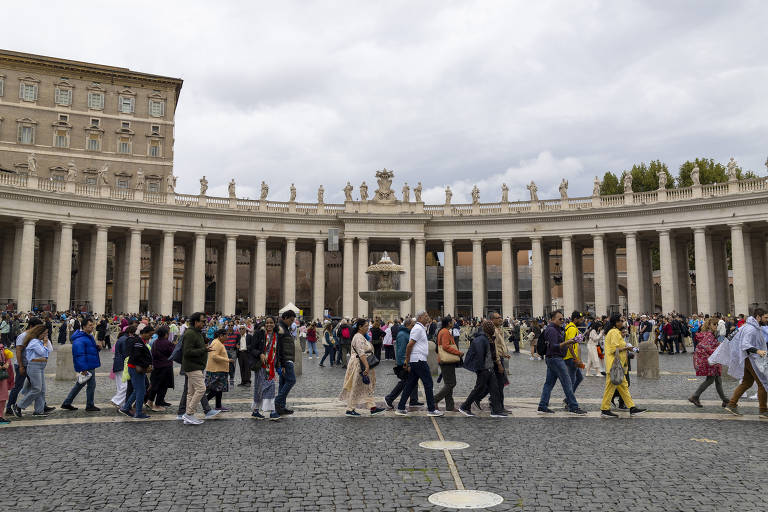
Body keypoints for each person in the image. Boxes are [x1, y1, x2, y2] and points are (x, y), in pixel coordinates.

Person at [717, 309, 768, 418]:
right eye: (766, 317)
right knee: (763, 384)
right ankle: (763, 410)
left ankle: (732, 404)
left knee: (747, 382)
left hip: (750, 359)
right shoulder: (751, 329)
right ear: (758, 317)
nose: (767, 319)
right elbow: (745, 344)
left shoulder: (752, 327)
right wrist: (758, 351)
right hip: (752, 359)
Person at [536, 310, 587, 415]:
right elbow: (553, 346)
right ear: (552, 319)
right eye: (560, 319)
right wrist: (568, 342)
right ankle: (573, 406)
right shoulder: (552, 330)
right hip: (555, 358)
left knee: (549, 383)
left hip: (553, 358)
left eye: (563, 318)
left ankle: (542, 405)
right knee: (567, 382)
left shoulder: (558, 329)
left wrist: (570, 342)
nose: (562, 320)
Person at [395, 311, 443, 417]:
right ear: (420, 317)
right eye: (426, 316)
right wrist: (407, 361)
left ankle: (400, 407)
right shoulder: (418, 328)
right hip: (419, 360)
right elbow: (409, 345)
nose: (428, 317)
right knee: (428, 383)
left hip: (417, 360)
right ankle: (431, 409)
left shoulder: (419, 328)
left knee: (410, 384)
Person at [599, 314, 647, 418]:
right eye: (621, 320)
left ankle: (632, 408)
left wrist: (627, 347)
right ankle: (604, 409)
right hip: (614, 365)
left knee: (624, 387)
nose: (623, 322)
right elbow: (614, 349)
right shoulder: (614, 332)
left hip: (617, 365)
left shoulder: (614, 332)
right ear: (616, 322)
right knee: (610, 388)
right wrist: (627, 348)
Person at [458, 320, 506, 417]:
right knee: (478, 389)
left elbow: (491, 353)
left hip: (489, 368)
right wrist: (482, 369)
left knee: (494, 389)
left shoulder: (488, 338)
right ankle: (464, 406)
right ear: (488, 329)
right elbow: (480, 356)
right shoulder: (481, 339)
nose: (493, 329)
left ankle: (496, 410)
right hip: (484, 369)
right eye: (491, 328)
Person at [339, 318, 386, 416]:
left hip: (361, 363)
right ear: (360, 327)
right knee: (356, 387)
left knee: (367, 386)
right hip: (360, 365)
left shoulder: (361, 336)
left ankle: (372, 407)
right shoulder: (358, 337)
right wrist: (367, 366)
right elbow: (361, 353)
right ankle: (350, 409)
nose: (367, 328)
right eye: (365, 326)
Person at [5, 318, 47, 415]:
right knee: (18, 386)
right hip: (22, 364)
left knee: (38, 386)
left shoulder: (33, 336)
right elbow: (18, 351)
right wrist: (21, 366)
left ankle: (41, 406)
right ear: (32, 326)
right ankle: (9, 407)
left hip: (31, 365)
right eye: (37, 327)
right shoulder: (23, 336)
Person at [61, 318, 102, 412]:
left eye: (92, 325)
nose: (92, 327)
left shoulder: (88, 336)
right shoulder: (80, 339)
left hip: (89, 363)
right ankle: (90, 405)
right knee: (91, 385)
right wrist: (83, 368)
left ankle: (67, 402)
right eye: (90, 325)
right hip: (87, 365)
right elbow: (79, 355)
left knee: (80, 384)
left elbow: (89, 350)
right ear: (83, 327)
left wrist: (97, 348)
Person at [181, 312, 214, 425]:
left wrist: (204, 347)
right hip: (193, 366)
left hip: (194, 366)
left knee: (191, 392)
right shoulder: (190, 334)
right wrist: (204, 350)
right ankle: (189, 414)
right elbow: (187, 352)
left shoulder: (197, 333)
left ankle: (188, 416)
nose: (205, 323)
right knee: (201, 389)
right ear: (196, 322)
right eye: (203, 321)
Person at [688, 317, 728, 408]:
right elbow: (706, 348)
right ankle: (695, 396)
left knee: (718, 380)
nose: (716, 326)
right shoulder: (709, 335)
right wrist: (719, 347)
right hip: (710, 361)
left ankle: (725, 400)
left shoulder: (712, 334)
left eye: (717, 324)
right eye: (714, 324)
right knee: (711, 380)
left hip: (712, 360)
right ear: (709, 325)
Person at [119, 324, 154, 419]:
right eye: (150, 334)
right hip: (136, 368)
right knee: (140, 391)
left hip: (136, 368)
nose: (151, 337)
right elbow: (137, 356)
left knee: (138, 390)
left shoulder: (140, 341)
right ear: (144, 333)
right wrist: (145, 366)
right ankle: (138, 412)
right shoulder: (138, 342)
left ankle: (126, 407)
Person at [384, 318, 420, 409]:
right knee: (404, 382)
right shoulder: (403, 335)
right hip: (405, 363)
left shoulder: (407, 333)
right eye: (412, 325)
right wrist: (406, 364)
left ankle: (414, 400)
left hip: (409, 361)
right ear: (407, 325)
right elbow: (401, 351)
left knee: (413, 380)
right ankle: (389, 398)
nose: (413, 327)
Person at [251, 316, 280, 420]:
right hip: (261, 365)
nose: (269, 325)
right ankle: (257, 411)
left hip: (271, 366)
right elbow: (252, 348)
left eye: (271, 323)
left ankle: (271, 411)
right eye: (267, 323)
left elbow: (278, 352)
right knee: (259, 387)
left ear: (274, 324)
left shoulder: (277, 335)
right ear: (264, 324)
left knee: (271, 386)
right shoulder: (259, 334)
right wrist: (260, 354)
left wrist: (279, 365)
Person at [433, 316, 462, 411]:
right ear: (449, 323)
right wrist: (458, 353)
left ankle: (450, 406)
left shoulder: (443, 331)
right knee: (451, 383)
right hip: (446, 361)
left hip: (444, 360)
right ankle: (434, 399)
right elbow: (445, 346)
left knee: (448, 383)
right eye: (452, 321)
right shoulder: (445, 332)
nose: (453, 323)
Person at [146, 325, 175, 411]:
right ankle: (157, 405)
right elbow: (173, 353)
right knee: (163, 386)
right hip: (165, 367)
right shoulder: (167, 343)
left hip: (156, 366)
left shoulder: (155, 342)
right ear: (166, 334)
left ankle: (150, 401)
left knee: (155, 385)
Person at [275, 310, 297, 416]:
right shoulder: (280, 328)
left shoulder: (285, 328)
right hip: (285, 360)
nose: (292, 322)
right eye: (291, 320)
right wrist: (281, 363)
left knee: (283, 383)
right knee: (291, 380)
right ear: (285, 318)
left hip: (286, 359)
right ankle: (278, 401)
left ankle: (281, 407)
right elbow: (279, 347)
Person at [205, 329, 233, 412]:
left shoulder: (217, 342)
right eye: (226, 335)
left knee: (219, 389)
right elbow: (214, 356)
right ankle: (204, 402)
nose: (227, 337)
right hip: (217, 370)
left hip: (219, 370)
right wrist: (227, 360)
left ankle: (218, 405)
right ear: (221, 336)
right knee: (215, 389)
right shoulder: (217, 343)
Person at [563, 311, 585, 405]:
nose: (581, 320)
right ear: (575, 319)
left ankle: (568, 398)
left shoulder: (570, 326)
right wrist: (575, 358)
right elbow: (570, 344)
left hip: (570, 357)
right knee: (571, 381)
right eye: (580, 319)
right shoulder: (572, 328)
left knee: (579, 377)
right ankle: (569, 401)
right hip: (571, 357)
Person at [110, 324, 132, 408]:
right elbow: (126, 354)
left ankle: (121, 403)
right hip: (122, 364)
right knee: (125, 385)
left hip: (118, 364)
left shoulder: (121, 339)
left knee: (120, 385)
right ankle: (116, 400)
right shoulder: (125, 340)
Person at [0, 343, 14, 423]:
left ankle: (0, 415)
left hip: (2, 375)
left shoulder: (2, 347)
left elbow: (8, 357)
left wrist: (7, 363)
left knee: (3, 396)